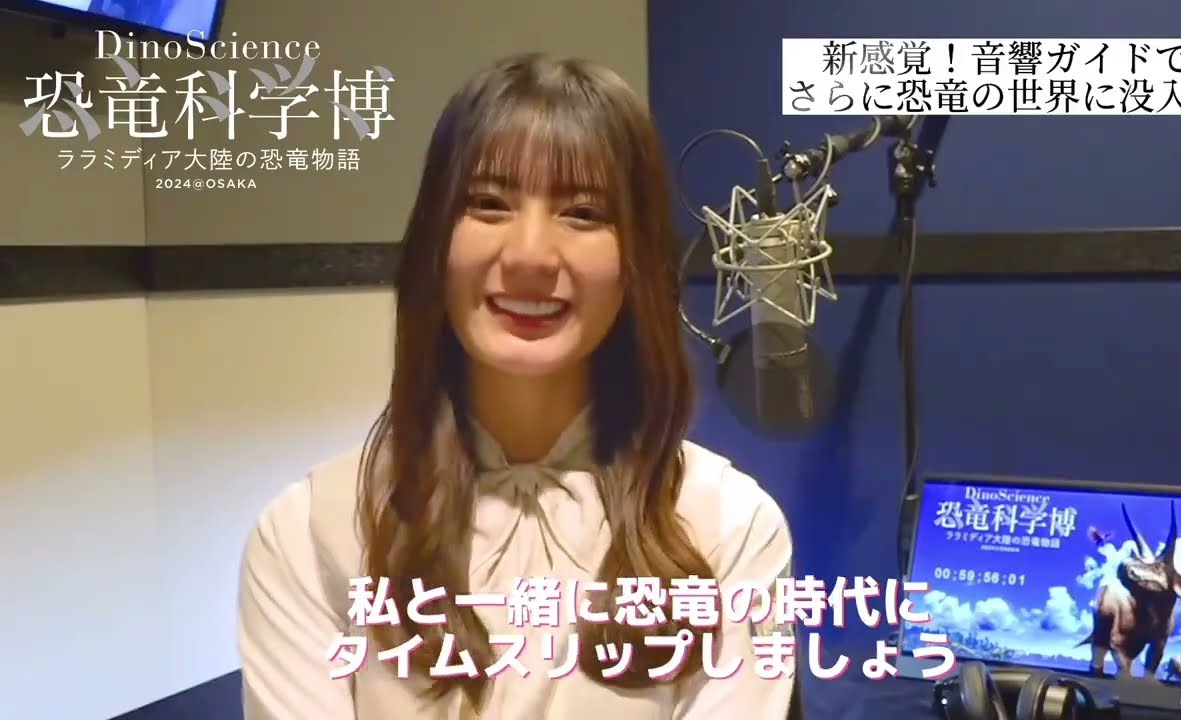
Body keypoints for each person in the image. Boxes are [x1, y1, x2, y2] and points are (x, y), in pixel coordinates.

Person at [237, 52, 796, 719]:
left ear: (637, 261)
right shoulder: (310, 530)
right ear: (435, 244)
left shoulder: (729, 527)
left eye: (583, 212)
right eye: (488, 204)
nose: (530, 254)